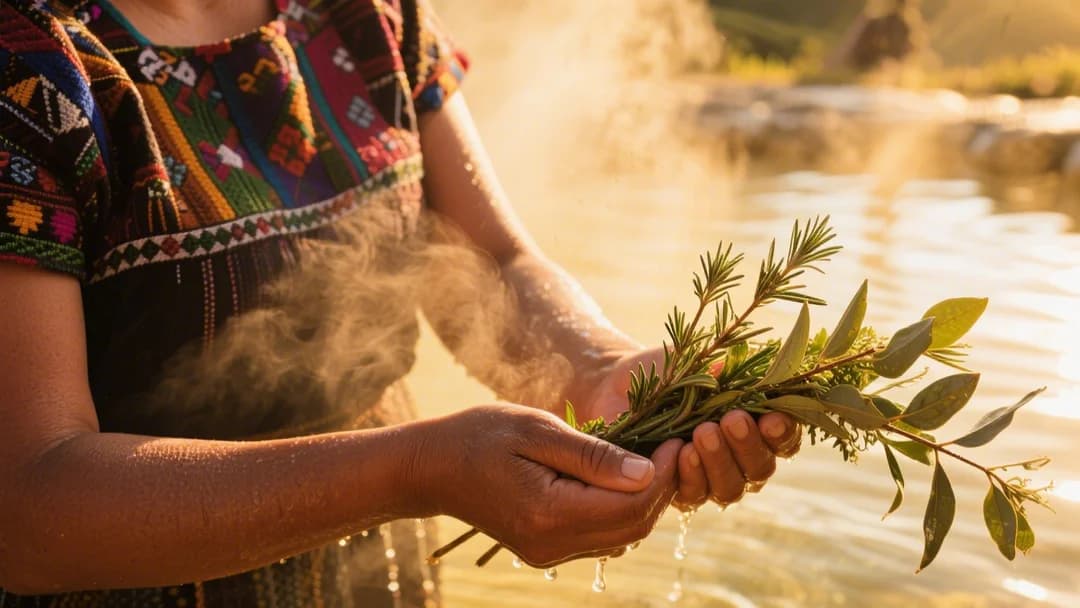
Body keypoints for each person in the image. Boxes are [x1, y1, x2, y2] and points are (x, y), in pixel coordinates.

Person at [0, 0, 801, 605]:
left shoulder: (363, 17)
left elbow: (488, 261)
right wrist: (418, 471)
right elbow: (28, 504)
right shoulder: (26, 63)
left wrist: (600, 369)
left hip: (375, 578)